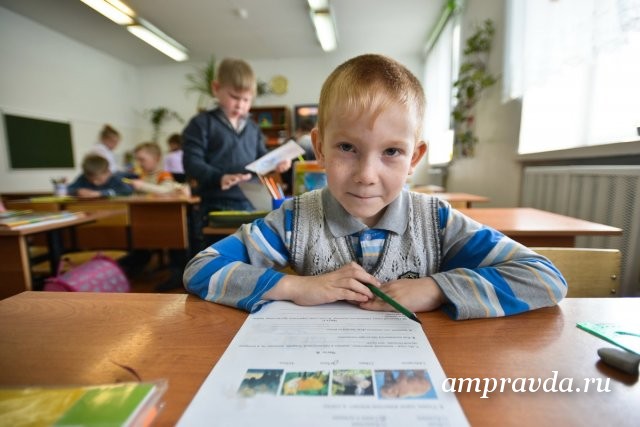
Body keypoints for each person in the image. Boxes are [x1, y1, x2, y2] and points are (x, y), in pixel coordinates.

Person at [183, 54, 567, 319]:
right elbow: (202, 268)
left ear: (414, 158)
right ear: (320, 148)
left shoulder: (437, 222)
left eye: (392, 152)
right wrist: (295, 287)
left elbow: (545, 278)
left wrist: (435, 290)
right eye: (347, 147)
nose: (366, 174)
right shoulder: (293, 220)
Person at [182, 58, 291, 249]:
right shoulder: (201, 124)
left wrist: (276, 163)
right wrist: (220, 177)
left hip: (250, 204)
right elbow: (191, 162)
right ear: (216, 88)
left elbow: (261, 160)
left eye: (246, 100)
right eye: (234, 97)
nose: (240, 104)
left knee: (251, 255)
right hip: (215, 205)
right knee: (218, 256)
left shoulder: (252, 128)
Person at [67, 154, 133, 198]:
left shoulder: (115, 178)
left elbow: (127, 190)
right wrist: (78, 191)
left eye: (99, 179)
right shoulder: (83, 178)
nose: (95, 183)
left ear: (108, 172)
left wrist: (100, 193)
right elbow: (68, 189)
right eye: (91, 180)